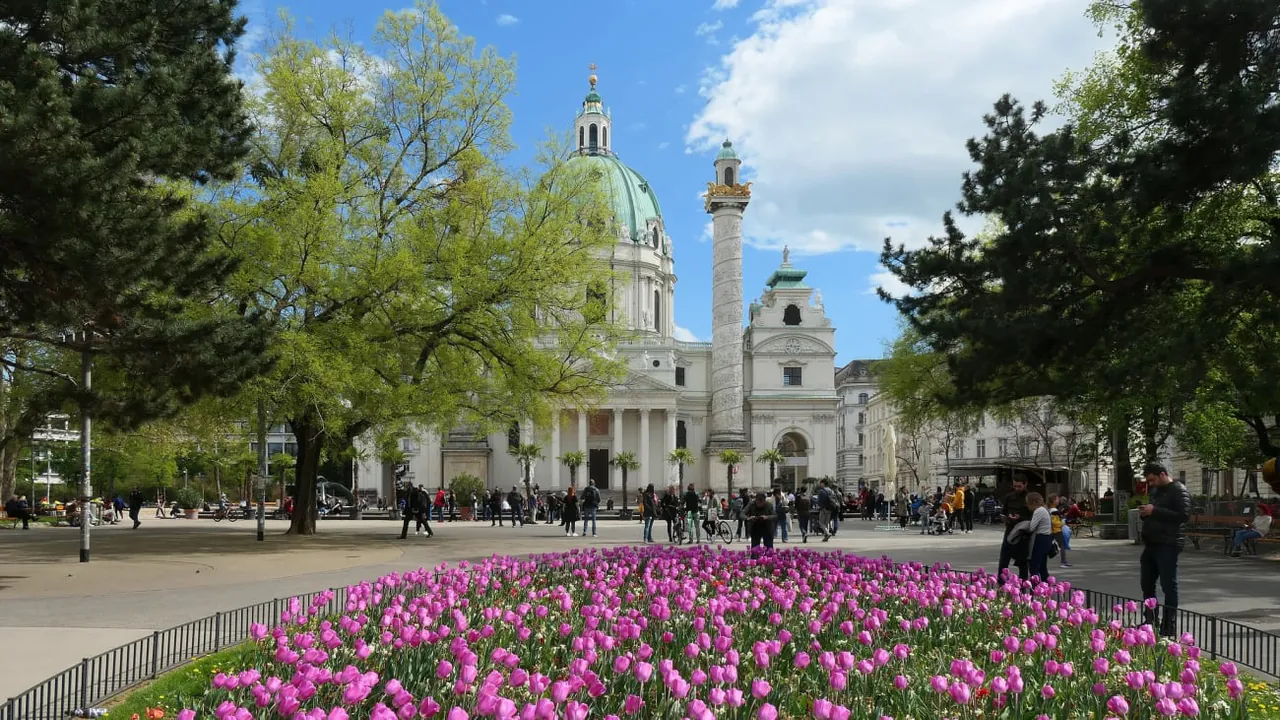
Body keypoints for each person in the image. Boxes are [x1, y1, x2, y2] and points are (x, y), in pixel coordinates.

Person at [1138, 462, 1191, 637]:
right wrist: (1146, 514)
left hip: (1168, 544)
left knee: (1169, 585)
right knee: (1147, 583)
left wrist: (1155, 511)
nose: (1150, 484)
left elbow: (1183, 515)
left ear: (1162, 474)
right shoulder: (1155, 491)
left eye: (1152, 480)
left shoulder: (1178, 489)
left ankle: (1169, 626)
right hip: (1151, 543)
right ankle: (1150, 620)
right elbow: (1156, 512)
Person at [998, 476, 1030, 581]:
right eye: (1015, 486)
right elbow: (1003, 511)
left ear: (1025, 484)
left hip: (1023, 533)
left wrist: (1020, 518)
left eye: (1019, 486)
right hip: (1010, 530)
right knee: (1004, 559)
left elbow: (1033, 517)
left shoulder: (1029, 498)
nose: (1017, 488)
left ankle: (1023, 584)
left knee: (1022, 561)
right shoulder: (1009, 497)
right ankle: (1001, 583)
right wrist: (1005, 518)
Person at [1026, 493, 1053, 581]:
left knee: (1034, 567)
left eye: (1028, 503)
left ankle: (1035, 588)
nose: (1027, 505)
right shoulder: (1044, 509)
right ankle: (1046, 586)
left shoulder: (1038, 511)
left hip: (1040, 539)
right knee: (1042, 567)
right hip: (1047, 539)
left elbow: (1031, 527)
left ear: (1033, 502)